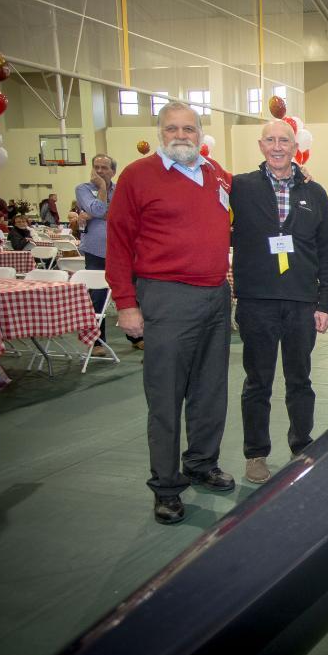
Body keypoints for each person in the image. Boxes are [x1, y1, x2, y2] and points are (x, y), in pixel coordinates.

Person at [106, 101, 235, 525]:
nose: (180, 136)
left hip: (215, 297)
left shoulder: (214, 173)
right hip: (165, 297)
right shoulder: (137, 176)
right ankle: (166, 485)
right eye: (171, 129)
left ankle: (201, 462)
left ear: (200, 133)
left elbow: (248, 195)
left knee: (210, 390)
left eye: (188, 129)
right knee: (165, 397)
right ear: (160, 133)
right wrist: (126, 303)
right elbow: (119, 242)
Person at [231, 120, 328, 484]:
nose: (278, 147)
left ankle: (301, 445)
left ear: (297, 148)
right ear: (261, 145)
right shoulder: (240, 188)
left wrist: (324, 303)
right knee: (257, 382)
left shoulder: (315, 193)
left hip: (300, 302)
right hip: (256, 301)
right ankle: (256, 453)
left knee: (300, 380)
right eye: (271, 140)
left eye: (285, 141)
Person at [75, 154, 142, 355]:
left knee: (133, 293)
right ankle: (97, 341)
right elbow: (98, 208)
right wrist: (102, 191)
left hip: (122, 249)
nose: (100, 171)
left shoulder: (122, 189)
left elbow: (126, 214)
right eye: (97, 167)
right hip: (96, 251)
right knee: (97, 295)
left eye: (105, 167)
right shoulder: (83, 189)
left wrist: (98, 214)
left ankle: (137, 336)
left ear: (113, 171)